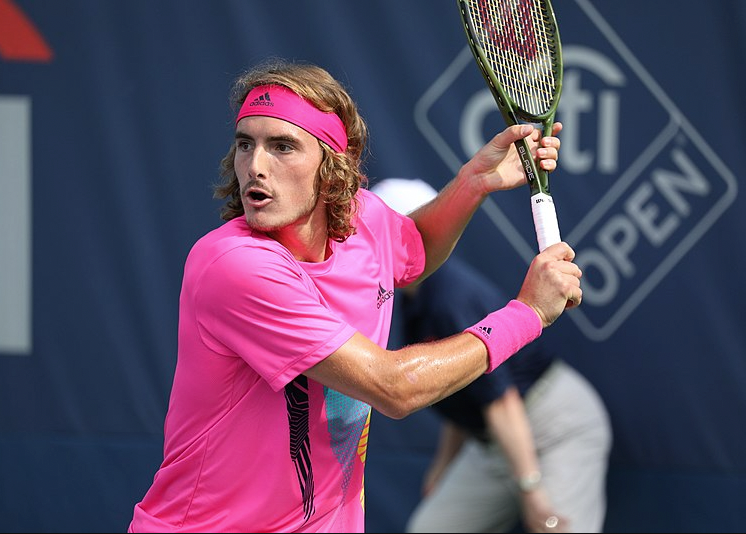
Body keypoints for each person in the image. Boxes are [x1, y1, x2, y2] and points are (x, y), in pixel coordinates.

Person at [128, 57, 581, 533]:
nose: (255, 167)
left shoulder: (364, 220)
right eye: (246, 144)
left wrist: (475, 181)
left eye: (282, 146)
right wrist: (528, 312)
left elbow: (415, 249)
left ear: (331, 166)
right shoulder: (234, 266)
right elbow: (395, 388)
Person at [372, 178, 612, 534]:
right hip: (494, 441)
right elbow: (462, 382)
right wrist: (443, 465)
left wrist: (531, 492)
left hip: (556, 426)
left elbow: (502, 400)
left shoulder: (449, 298)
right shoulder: (407, 297)